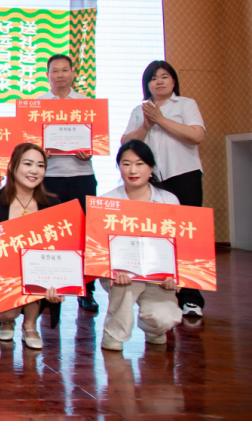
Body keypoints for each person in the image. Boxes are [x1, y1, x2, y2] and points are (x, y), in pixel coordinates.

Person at [121, 61, 206, 318]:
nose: (158, 81)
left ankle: (191, 298)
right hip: (152, 180)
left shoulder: (185, 104)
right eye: (153, 78)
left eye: (164, 77)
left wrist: (161, 120)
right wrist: (147, 125)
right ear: (146, 84)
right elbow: (126, 143)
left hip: (184, 176)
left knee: (187, 237)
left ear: (173, 81)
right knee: (156, 237)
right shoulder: (139, 110)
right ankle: (160, 293)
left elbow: (196, 135)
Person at [0, 143, 63, 349]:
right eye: (28, 164)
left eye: (40, 165)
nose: (34, 170)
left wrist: (63, 281)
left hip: (38, 277)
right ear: (12, 166)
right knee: (4, 313)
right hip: (0, 276)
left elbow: (63, 249)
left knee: (35, 266)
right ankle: (8, 321)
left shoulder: (53, 205)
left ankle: (30, 325)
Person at [98, 140, 184, 351]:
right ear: (119, 167)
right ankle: (114, 333)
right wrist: (111, 270)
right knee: (125, 283)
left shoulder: (169, 200)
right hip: (120, 274)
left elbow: (180, 244)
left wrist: (177, 276)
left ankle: (153, 328)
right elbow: (98, 247)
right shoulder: (106, 202)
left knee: (164, 318)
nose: (133, 170)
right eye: (126, 164)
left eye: (140, 164)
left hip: (158, 275)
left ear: (151, 167)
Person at [39, 55, 100, 314]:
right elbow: (28, 142)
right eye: (55, 71)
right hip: (49, 178)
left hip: (81, 176)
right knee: (51, 235)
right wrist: (40, 151)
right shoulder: (38, 104)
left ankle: (87, 291)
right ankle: (50, 289)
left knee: (85, 235)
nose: (60, 75)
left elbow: (98, 140)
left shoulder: (87, 104)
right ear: (48, 75)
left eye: (65, 70)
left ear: (73, 74)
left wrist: (91, 150)